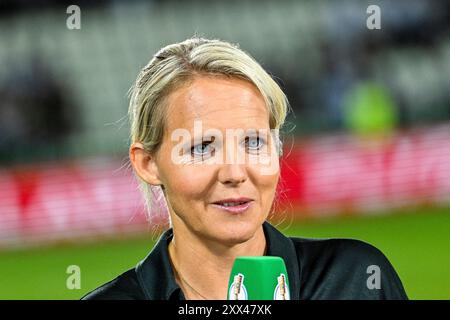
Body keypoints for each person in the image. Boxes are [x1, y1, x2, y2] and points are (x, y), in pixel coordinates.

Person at [82, 38, 407, 300]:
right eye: (201, 148)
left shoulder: (357, 279)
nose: (235, 173)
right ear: (148, 163)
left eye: (253, 142)